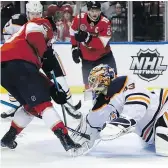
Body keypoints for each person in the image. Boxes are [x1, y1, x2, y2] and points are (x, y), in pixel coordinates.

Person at [0, 16, 81, 153]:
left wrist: (53, 89)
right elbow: (34, 35)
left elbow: (35, 76)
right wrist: (46, 54)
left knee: (31, 106)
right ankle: (67, 141)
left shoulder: (28, 47)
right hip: (19, 65)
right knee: (43, 104)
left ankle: (8, 138)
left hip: (6, 70)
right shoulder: (42, 22)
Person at [1, 1, 82, 119]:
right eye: (32, 14)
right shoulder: (16, 21)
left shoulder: (45, 23)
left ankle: (69, 105)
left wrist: (46, 53)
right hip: (26, 56)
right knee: (14, 75)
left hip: (45, 53)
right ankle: (14, 105)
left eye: (38, 13)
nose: (35, 16)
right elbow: (7, 37)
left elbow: (50, 40)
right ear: (27, 13)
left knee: (60, 79)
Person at [70, 1, 117, 89]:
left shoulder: (105, 22)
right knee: (88, 88)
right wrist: (74, 48)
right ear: (88, 11)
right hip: (87, 58)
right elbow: (72, 32)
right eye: (92, 11)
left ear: (100, 11)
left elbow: (102, 43)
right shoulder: (79, 19)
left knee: (113, 83)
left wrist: (87, 38)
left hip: (104, 57)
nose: (95, 13)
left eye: (97, 11)